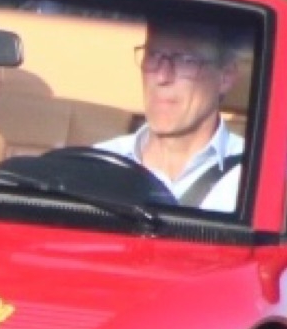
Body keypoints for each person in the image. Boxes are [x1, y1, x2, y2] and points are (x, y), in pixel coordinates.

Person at [93, 20, 250, 209]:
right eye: (153, 55)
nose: (162, 77)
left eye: (185, 61)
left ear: (225, 77)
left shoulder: (264, 178)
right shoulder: (97, 166)